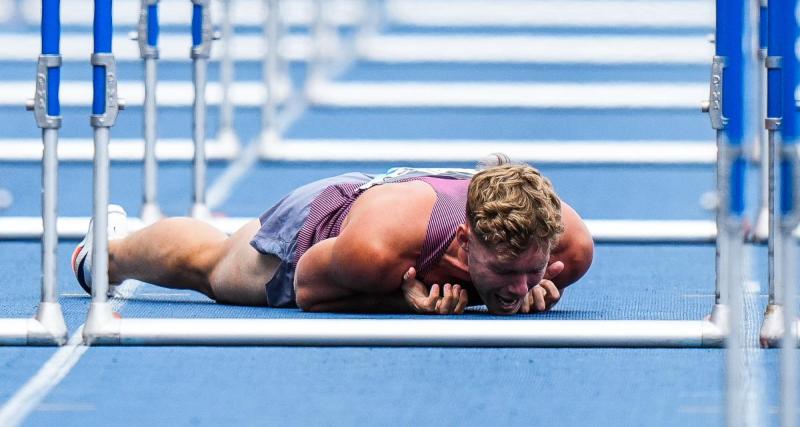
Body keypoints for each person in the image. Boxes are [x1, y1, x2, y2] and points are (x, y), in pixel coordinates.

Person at [72, 156, 594, 315]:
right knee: (213, 269)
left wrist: (524, 286)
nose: (522, 285)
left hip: (398, 204)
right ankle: (109, 251)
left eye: (533, 269)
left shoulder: (568, 249)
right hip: (332, 221)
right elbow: (308, 289)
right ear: (464, 240)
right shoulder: (378, 249)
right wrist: (400, 298)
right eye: (504, 272)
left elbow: (530, 271)